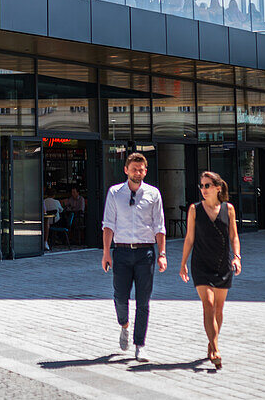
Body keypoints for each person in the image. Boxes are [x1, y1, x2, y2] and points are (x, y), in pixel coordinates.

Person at [102, 153, 167, 361]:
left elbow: (159, 226)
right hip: (120, 251)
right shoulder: (114, 193)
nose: (137, 173)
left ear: (145, 171)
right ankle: (124, 325)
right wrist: (106, 253)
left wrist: (162, 254)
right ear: (126, 170)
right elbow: (108, 224)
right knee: (120, 297)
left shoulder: (153, 194)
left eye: (141, 170)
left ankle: (140, 345)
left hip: (145, 252)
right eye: (134, 169)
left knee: (143, 301)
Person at [179, 171, 242, 370]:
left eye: (207, 186)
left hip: (223, 264)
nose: (203, 190)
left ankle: (211, 341)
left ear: (218, 188)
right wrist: (183, 264)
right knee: (208, 303)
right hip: (201, 264)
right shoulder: (194, 210)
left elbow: (234, 237)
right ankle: (215, 348)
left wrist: (237, 257)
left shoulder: (229, 209)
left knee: (219, 309)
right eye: (202, 186)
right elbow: (189, 238)